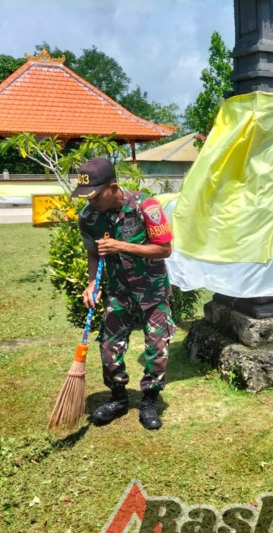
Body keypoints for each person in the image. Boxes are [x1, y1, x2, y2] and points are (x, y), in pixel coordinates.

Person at [73, 158, 175, 430]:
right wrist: (92, 284)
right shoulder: (89, 216)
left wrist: (122, 246)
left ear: (113, 187)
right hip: (119, 292)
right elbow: (93, 252)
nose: (89, 200)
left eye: (94, 195)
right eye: (85, 195)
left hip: (152, 293)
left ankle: (149, 401)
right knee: (108, 347)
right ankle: (118, 398)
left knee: (157, 349)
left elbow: (164, 249)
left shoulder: (147, 207)